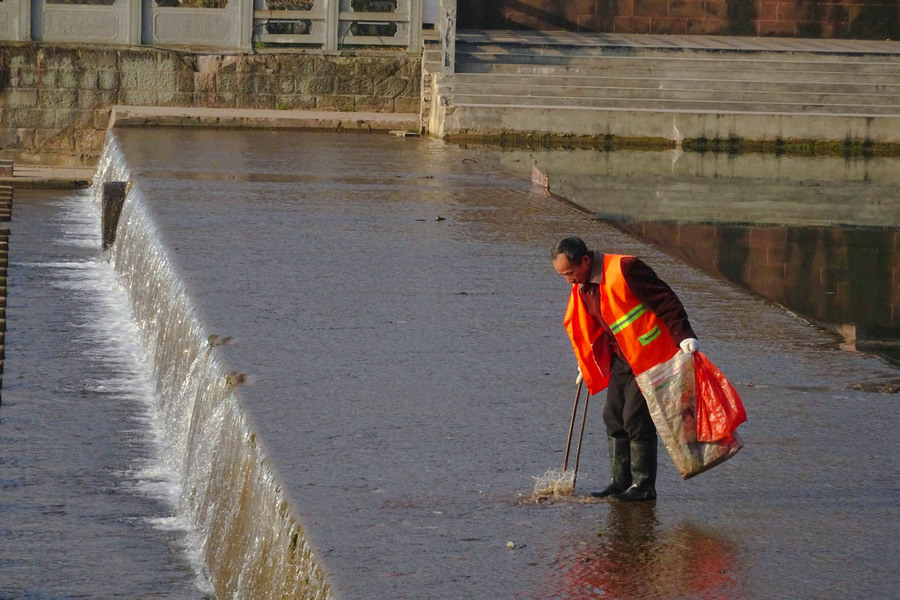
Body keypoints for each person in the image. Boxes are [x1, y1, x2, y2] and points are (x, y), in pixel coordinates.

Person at [551, 237, 699, 501]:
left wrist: (684, 334)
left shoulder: (626, 268)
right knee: (613, 416)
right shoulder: (583, 286)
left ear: (585, 261)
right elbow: (595, 327)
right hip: (622, 357)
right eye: (563, 275)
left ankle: (643, 487)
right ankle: (620, 482)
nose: (568, 281)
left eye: (570, 273)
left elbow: (665, 299)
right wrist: (586, 362)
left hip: (649, 355)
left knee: (635, 418)